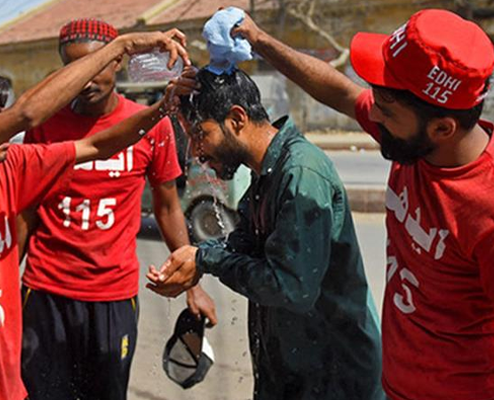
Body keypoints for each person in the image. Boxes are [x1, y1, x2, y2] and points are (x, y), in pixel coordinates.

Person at [153, 9, 494, 400]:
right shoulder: (414, 139)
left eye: (384, 109)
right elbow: (340, 91)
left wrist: (208, 260)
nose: (371, 115)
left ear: (442, 127)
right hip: (396, 385)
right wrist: (258, 40)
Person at [0, 30, 190, 400]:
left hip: (7, 389)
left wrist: (162, 108)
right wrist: (121, 46)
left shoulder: (9, 164)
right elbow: (27, 114)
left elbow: (96, 145)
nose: (3, 126)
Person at [148, 67, 385, 400]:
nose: (197, 153)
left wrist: (205, 258)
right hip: (292, 371)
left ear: (236, 119)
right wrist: (194, 261)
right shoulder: (265, 175)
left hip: (334, 377)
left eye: (201, 135)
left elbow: (290, 288)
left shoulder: (300, 173)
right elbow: (243, 243)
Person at [16, 18, 217, 400]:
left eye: (96, 67)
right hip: (46, 292)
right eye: (74, 68)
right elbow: (26, 209)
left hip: (114, 296)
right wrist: (6, 283)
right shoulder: (44, 125)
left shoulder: (148, 125)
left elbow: (169, 207)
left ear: (116, 63)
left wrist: (194, 285)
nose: (86, 80)